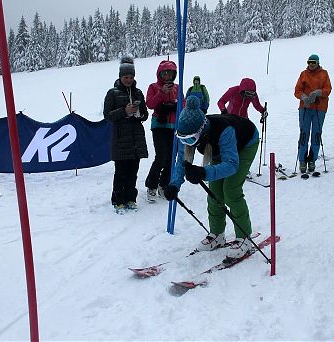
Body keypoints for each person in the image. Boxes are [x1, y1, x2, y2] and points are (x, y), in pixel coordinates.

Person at [163, 95, 259, 259]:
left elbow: (231, 164)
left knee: (231, 190)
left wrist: (203, 172)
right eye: (182, 139)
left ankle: (244, 237)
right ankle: (217, 234)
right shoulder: (187, 133)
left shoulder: (223, 131)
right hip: (216, 148)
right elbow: (182, 163)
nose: (187, 142)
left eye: (191, 139)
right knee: (214, 192)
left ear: (201, 131)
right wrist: (174, 185)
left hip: (245, 143)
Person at [103, 56, 149, 214]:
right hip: (121, 139)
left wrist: (139, 113)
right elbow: (107, 115)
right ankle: (118, 200)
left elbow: (145, 114)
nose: (129, 80)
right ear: (120, 77)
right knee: (121, 172)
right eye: (126, 77)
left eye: (131, 77)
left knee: (133, 172)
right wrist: (124, 111)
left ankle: (131, 199)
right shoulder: (112, 93)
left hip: (136, 138)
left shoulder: (138, 92)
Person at [144, 60, 182, 203]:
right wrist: (161, 93)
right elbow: (150, 104)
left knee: (171, 157)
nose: (167, 76)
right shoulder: (154, 87)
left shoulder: (178, 88)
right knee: (161, 156)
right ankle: (151, 186)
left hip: (173, 126)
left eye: (170, 73)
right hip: (159, 125)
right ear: (159, 74)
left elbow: (182, 104)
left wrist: (176, 105)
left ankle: (163, 184)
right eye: (164, 73)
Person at [294, 54, 332, 173]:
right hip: (305, 108)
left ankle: (312, 160)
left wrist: (318, 92)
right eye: (309, 62)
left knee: (316, 134)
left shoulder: (324, 73)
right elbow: (297, 90)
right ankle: (302, 160)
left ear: (317, 63)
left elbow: (328, 89)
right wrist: (304, 97)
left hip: (319, 108)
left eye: (313, 62)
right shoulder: (303, 74)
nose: (311, 64)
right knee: (304, 134)